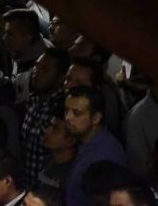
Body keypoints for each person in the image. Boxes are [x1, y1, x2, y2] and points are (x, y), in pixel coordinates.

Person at [64, 86, 127, 206]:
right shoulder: (86, 143)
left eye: (76, 113)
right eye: (66, 110)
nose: (67, 118)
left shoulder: (105, 156)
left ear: (96, 118)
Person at [21, 49, 69, 187]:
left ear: (61, 77)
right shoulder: (32, 100)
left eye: (45, 69)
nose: (36, 72)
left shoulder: (62, 109)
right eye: (36, 66)